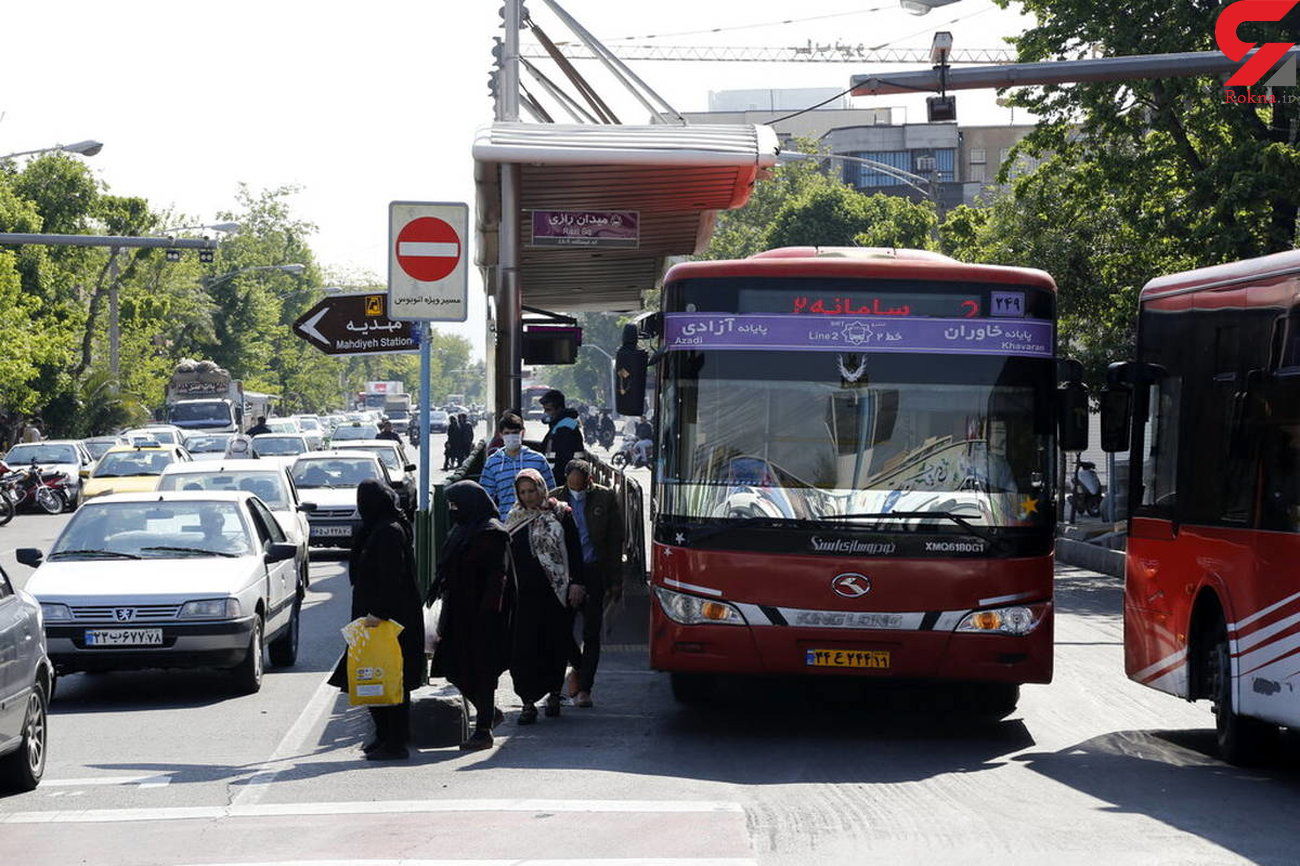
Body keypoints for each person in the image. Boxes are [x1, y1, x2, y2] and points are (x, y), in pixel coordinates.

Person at [327, 480, 425, 761]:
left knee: (389, 679)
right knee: (372, 675)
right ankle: (385, 736)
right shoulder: (378, 528)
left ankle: (394, 741)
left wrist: (378, 614)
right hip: (374, 619)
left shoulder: (389, 533)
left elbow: (392, 578)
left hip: (386, 621)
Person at [431, 481, 515, 751]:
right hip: (458, 611)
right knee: (453, 666)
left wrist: (487, 615)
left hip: (483, 616)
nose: (453, 510)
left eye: (457, 505)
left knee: (483, 671)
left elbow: (497, 578)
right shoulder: (462, 529)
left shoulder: (492, 533)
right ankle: (488, 713)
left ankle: (483, 730)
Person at [505, 468, 585, 723]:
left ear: (542, 488)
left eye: (533, 490)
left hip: (557, 593)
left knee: (555, 643)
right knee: (524, 648)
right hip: (525, 595)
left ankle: (553, 694)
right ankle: (527, 702)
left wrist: (576, 584)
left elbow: (574, 552)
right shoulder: (514, 517)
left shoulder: (561, 514)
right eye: (523, 492)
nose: (529, 497)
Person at [551, 459, 623, 708]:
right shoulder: (554, 500)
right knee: (560, 629)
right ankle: (578, 669)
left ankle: (585, 688)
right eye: (572, 487)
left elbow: (615, 542)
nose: (577, 491)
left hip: (594, 572)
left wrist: (615, 580)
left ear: (590, 481)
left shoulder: (605, 498)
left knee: (591, 632)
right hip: (565, 574)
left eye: (581, 486)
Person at [479, 412, 555, 520]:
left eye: (515, 432)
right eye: (507, 433)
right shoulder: (492, 463)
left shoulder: (538, 460)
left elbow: (551, 492)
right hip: (507, 524)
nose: (511, 436)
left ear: (522, 433)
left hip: (537, 522)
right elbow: (485, 498)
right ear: (501, 435)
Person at [539, 389, 585, 481]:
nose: (545, 413)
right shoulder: (558, 426)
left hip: (562, 481)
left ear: (559, 409)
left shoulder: (565, 429)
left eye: (548, 410)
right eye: (544, 410)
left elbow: (564, 461)